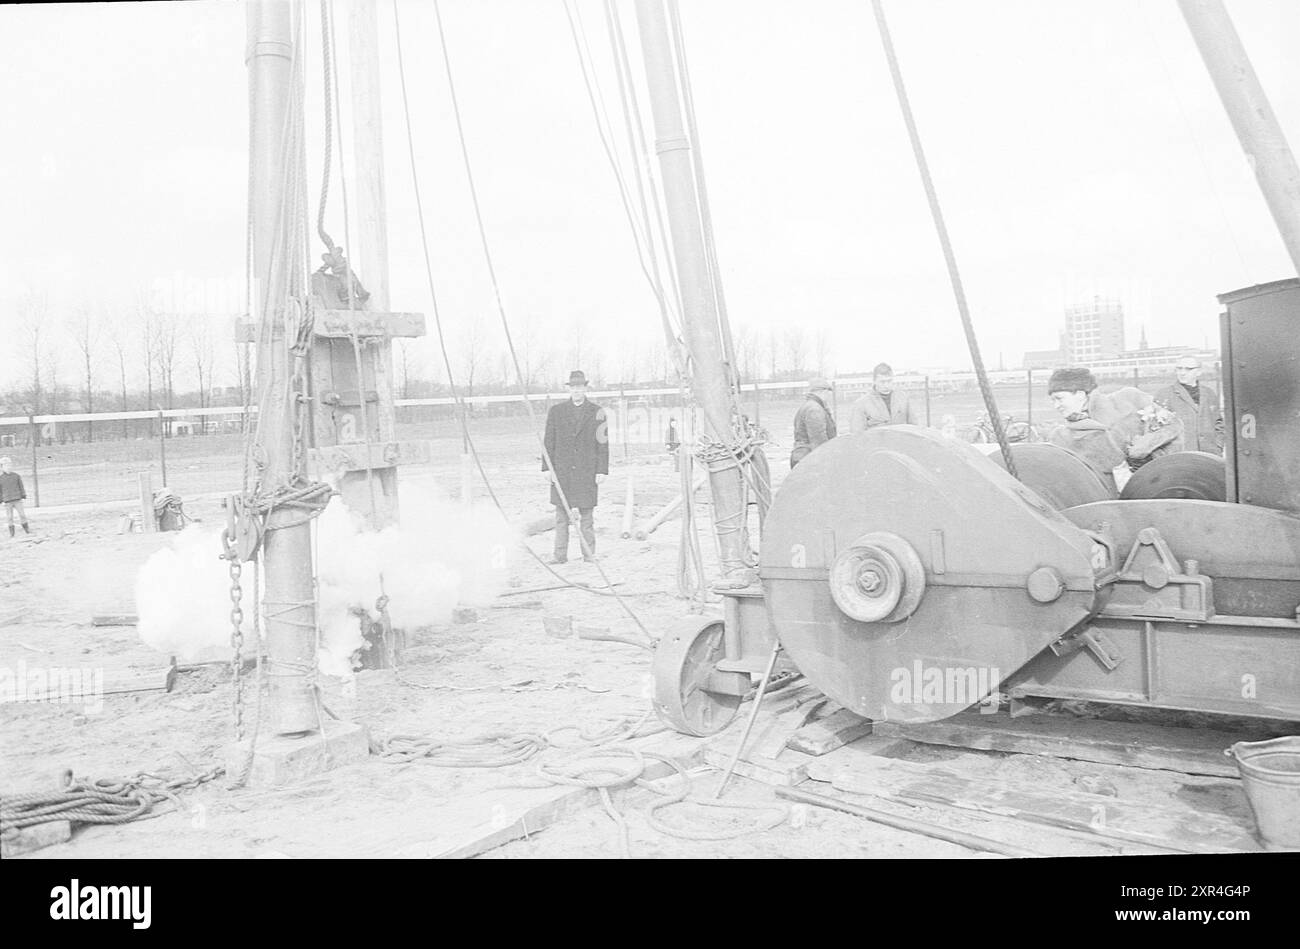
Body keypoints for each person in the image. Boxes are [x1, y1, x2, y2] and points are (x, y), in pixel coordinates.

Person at [1045, 367, 1182, 491]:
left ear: (1080, 394)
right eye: (1053, 401)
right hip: (1112, 501)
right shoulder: (1062, 437)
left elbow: (1174, 425)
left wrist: (1147, 445)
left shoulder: (1129, 398)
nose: (1056, 406)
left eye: (1059, 399)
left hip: (1162, 482)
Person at [542, 370, 609, 563]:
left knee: (587, 517)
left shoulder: (598, 413)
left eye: (580, 387)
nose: (577, 390)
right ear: (569, 389)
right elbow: (549, 442)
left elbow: (603, 444)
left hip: (586, 471)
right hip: (562, 472)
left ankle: (589, 555)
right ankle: (559, 555)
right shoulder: (556, 412)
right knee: (561, 517)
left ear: (585, 388)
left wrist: (602, 470)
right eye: (574, 387)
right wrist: (547, 468)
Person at [1153, 358, 1225, 454]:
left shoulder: (1209, 393)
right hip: (1180, 455)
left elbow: (1218, 422)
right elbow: (1156, 428)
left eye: (1188, 369)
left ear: (1199, 372)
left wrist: (1218, 444)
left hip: (1210, 453)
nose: (1182, 373)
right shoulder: (1164, 394)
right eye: (1179, 369)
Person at [849, 362, 923, 433]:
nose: (886, 385)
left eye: (889, 381)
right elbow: (857, 435)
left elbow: (914, 427)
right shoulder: (861, 404)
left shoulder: (903, 398)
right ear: (874, 381)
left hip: (901, 443)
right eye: (882, 382)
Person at [790, 378, 837, 468]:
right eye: (828, 393)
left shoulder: (809, 406)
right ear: (822, 392)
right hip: (809, 458)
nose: (828, 396)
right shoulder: (814, 409)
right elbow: (819, 441)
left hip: (803, 456)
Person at [1, 457, 30, 538]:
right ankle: (12, 534)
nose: (8, 467)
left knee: (22, 515)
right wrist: (1, 501)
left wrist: (23, 495)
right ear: (2, 467)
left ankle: (27, 530)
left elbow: (21, 486)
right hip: (7, 501)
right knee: (9, 517)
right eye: (6, 465)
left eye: (10, 465)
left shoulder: (16, 476)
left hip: (17, 500)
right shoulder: (1, 478)